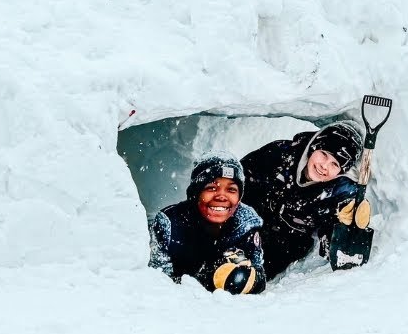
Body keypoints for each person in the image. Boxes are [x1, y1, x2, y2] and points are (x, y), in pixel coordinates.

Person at [240, 121, 364, 279]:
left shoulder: (339, 193)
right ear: (314, 146)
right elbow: (241, 176)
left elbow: (333, 241)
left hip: (285, 243)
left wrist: (348, 229)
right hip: (250, 218)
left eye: (335, 164)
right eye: (324, 154)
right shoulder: (282, 153)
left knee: (248, 276)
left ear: (341, 171)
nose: (324, 166)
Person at [148, 155, 266, 294]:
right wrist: (205, 278)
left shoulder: (247, 224)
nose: (221, 196)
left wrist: (241, 276)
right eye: (211, 188)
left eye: (231, 190)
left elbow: (259, 276)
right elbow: (156, 279)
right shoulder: (169, 224)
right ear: (196, 193)